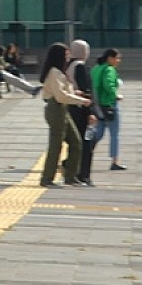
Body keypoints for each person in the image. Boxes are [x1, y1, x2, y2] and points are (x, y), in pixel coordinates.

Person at [39, 42, 92, 188]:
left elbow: (65, 92)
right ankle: (47, 178)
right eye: (66, 55)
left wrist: (75, 94)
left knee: (76, 142)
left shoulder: (59, 72)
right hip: (56, 109)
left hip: (62, 109)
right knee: (56, 145)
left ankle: (70, 176)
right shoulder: (54, 72)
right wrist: (81, 100)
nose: (68, 58)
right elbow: (60, 96)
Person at [66, 39, 98, 186]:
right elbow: (86, 91)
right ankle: (84, 175)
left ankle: (73, 170)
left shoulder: (68, 66)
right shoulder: (80, 67)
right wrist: (91, 112)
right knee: (87, 142)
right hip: (82, 109)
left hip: (72, 108)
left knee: (77, 142)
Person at [91, 48, 124, 171]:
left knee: (97, 134)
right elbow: (109, 85)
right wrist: (116, 95)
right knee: (114, 134)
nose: (118, 61)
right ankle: (114, 161)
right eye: (117, 58)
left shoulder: (96, 68)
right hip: (109, 105)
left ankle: (84, 155)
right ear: (110, 58)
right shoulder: (109, 69)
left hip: (98, 106)